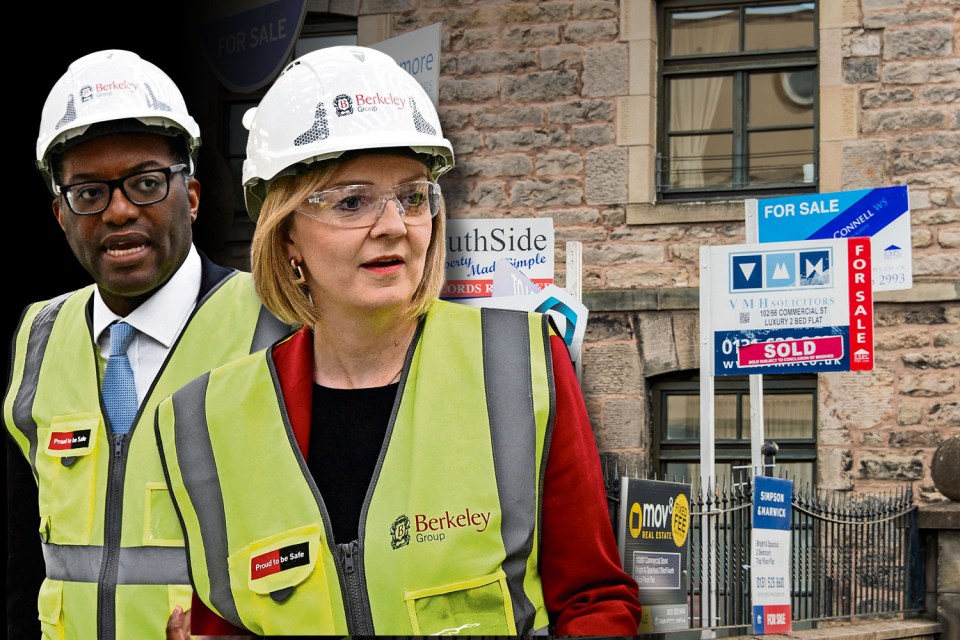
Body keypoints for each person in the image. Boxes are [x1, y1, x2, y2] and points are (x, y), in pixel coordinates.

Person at [156, 45, 642, 637]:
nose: (393, 225)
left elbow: (594, 600)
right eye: (352, 201)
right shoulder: (211, 418)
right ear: (286, 237)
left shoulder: (521, 365)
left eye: (413, 196)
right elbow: (228, 618)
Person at [3, 49, 291, 640]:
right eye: (88, 193)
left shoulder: (276, 324)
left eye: (146, 182)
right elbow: (25, 555)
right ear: (60, 213)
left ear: (190, 195)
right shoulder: (39, 334)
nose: (120, 210)